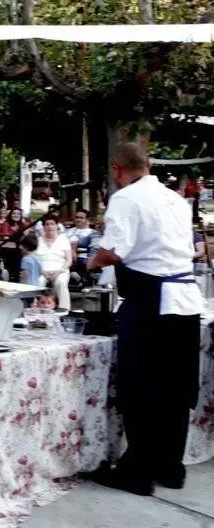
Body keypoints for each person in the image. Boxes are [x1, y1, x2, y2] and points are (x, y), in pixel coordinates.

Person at [87, 142, 203, 496]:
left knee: (141, 385)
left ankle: (136, 471)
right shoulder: (174, 199)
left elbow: (114, 251)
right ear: (148, 164)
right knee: (176, 386)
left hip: (150, 297)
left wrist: (91, 262)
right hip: (185, 298)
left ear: (117, 169)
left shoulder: (125, 198)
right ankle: (170, 466)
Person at [35, 214, 73, 310]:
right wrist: (43, 271)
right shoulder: (38, 241)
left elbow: (69, 260)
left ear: (57, 226)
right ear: (43, 227)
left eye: (52, 224)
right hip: (42, 270)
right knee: (38, 282)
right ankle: (36, 308)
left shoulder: (64, 240)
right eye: (47, 224)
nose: (49, 226)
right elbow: (34, 259)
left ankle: (64, 309)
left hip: (60, 270)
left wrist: (59, 271)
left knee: (61, 282)